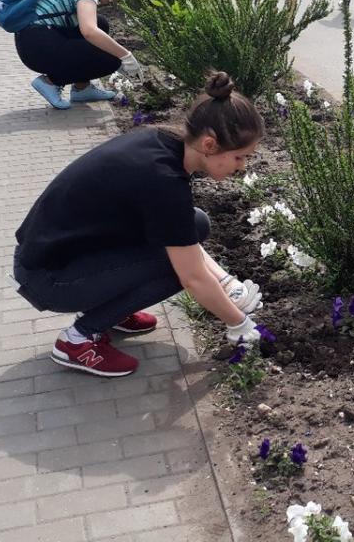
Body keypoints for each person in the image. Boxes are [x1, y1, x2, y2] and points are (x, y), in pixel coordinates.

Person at [13, 71, 267, 378]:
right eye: (240, 157)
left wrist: (226, 281)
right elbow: (193, 279)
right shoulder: (164, 182)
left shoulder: (160, 142)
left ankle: (111, 311)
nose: (242, 167)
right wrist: (238, 322)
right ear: (210, 144)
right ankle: (78, 340)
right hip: (49, 278)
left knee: (195, 224)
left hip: (55, 254)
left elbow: (179, 230)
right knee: (177, 269)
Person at [13, 0, 143, 110]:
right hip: (37, 48)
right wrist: (125, 56)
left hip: (32, 41)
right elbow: (89, 32)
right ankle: (49, 82)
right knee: (111, 59)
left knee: (101, 23)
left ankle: (83, 89)